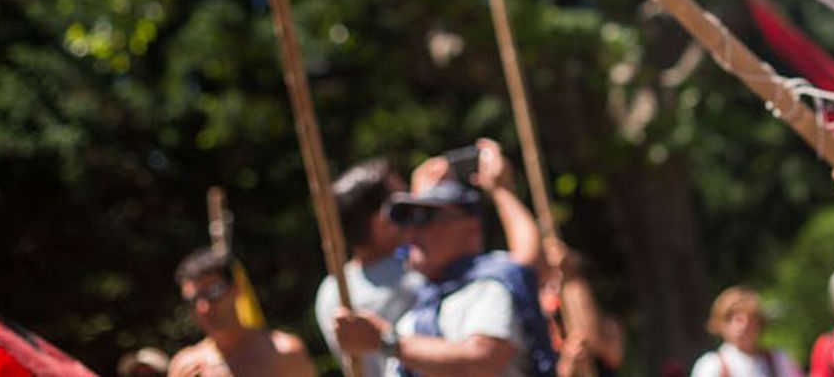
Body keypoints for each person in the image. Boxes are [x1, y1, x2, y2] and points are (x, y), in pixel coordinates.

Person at [333, 140, 556, 377]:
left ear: (471, 227)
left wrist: (388, 342)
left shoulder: (490, 288)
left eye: (427, 217)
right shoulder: (412, 322)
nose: (411, 232)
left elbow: (481, 361)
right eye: (407, 219)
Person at [315, 159, 425, 377]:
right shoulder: (418, 266)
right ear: (378, 220)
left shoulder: (329, 289)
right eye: (399, 204)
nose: (410, 209)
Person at [167, 248, 315, 377]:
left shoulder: (283, 354)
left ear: (238, 289)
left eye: (213, 292)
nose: (204, 307)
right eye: (193, 300)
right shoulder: (185, 366)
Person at [538, 236, 625, 377]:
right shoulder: (539, 332)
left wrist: (569, 272)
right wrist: (567, 364)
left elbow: (590, 335)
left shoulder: (609, 329)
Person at [690, 285, 801, 377]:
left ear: (759, 323)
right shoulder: (711, 365)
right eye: (731, 318)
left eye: (749, 319)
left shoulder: (779, 360)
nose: (742, 326)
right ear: (720, 325)